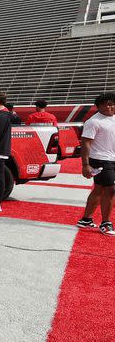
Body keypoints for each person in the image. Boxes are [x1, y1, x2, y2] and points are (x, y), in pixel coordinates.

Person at [76, 92, 115, 236]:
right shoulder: (93, 121)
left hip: (112, 158)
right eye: (104, 104)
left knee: (99, 189)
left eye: (111, 103)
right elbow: (86, 143)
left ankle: (86, 219)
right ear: (97, 107)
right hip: (99, 159)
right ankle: (106, 223)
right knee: (110, 189)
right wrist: (85, 165)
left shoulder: (113, 118)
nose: (108, 107)